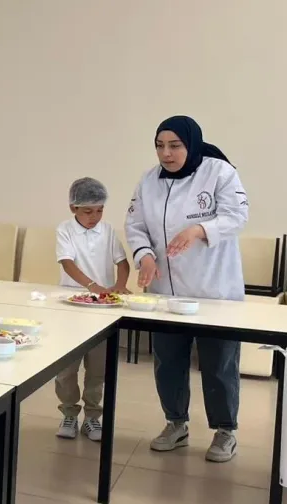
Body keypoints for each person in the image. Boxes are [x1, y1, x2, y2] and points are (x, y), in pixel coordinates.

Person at [125, 115, 248, 463]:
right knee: (168, 362)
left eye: (175, 145)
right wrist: (145, 257)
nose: (166, 153)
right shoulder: (148, 181)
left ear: (191, 144)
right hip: (166, 292)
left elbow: (237, 216)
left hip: (215, 290)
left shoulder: (219, 172)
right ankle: (176, 423)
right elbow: (135, 225)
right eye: (160, 146)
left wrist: (198, 230)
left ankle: (225, 431)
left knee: (219, 364)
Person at [54, 177, 130, 442]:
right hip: (71, 306)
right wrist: (92, 286)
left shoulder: (107, 231)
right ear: (73, 208)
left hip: (102, 308)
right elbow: (67, 263)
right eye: (88, 211)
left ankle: (92, 417)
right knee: (66, 369)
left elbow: (122, 262)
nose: (94, 217)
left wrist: (119, 285)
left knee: (98, 368)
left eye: (99, 210)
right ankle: (69, 414)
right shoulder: (65, 229)